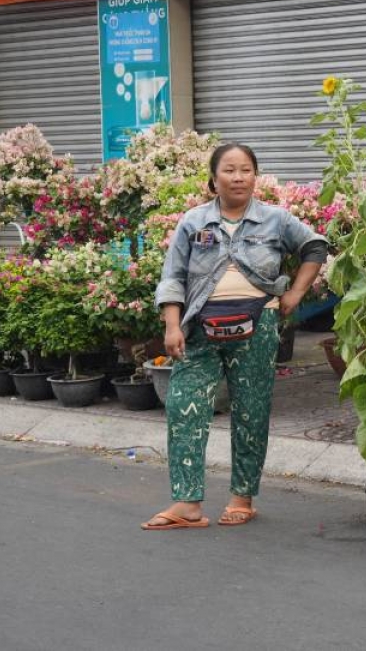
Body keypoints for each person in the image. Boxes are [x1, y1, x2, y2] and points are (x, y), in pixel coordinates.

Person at [143, 143, 327, 530]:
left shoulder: (275, 219)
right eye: (229, 170)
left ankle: (242, 497)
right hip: (199, 330)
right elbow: (172, 276)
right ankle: (187, 503)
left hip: (256, 328)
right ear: (213, 178)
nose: (238, 177)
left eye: (245, 170)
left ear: (255, 177)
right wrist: (172, 325)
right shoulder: (193, 222)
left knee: (251, 410)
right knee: (183, 407)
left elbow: (315, 246)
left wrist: (294, 292)